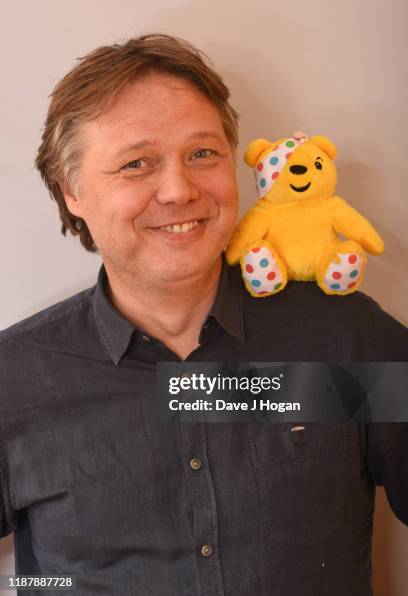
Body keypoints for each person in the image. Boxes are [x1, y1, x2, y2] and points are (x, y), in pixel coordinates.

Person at [0, 33, 407, 596]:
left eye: (202, 154)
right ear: (72, 190)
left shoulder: (343, 338)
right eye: (136, 163)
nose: (178, 190)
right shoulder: (13, 378)